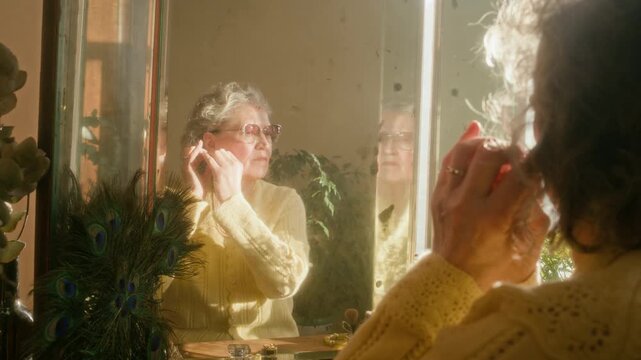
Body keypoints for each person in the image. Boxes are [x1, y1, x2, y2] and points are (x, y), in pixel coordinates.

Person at [336, 0, 641, 358]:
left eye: (539, 109)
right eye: (384, 136)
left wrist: (449, 265)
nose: (389, 148)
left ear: (560, 134)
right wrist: (516, 282)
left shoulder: (539, 334)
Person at [161, 82, 310, 343]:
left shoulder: (284, 201)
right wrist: (191, 203)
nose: (265, 143)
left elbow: (285, 283)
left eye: (269, 132)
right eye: (251, 132)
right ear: (210, 142)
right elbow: (147, 289)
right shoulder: (171, 206)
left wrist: (233, 203)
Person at [373, 103, 416, 306]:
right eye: (383, 138)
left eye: (405, 139)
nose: (389, 149)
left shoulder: (431, 217)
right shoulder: (363, 210)